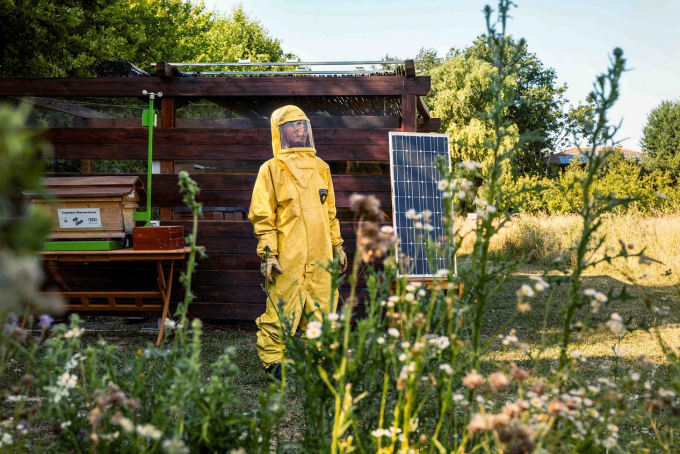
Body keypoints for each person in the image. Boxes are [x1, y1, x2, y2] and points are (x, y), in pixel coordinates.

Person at [248, 105, 347, 379]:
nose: (300, 129)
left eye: (303, 124)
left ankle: (321, 358)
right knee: (281, 307)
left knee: (323, 305)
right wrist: (269, 254)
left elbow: (330, 212)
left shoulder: (321, 168)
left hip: (321, 253)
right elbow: (263, 216)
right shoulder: (271, 170)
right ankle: (273, 363)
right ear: (280, 131)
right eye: (294, 125)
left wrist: (337, 245)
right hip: (288, 255)